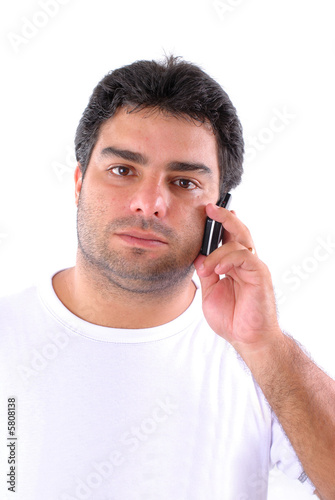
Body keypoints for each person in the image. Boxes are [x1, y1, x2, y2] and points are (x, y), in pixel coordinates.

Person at [0, 56, 334, 500]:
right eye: (122, 170)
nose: (149, 202)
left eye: (183, 183)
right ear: (79, 182)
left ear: (221, 211)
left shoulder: (260, 359)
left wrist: (264, 345)